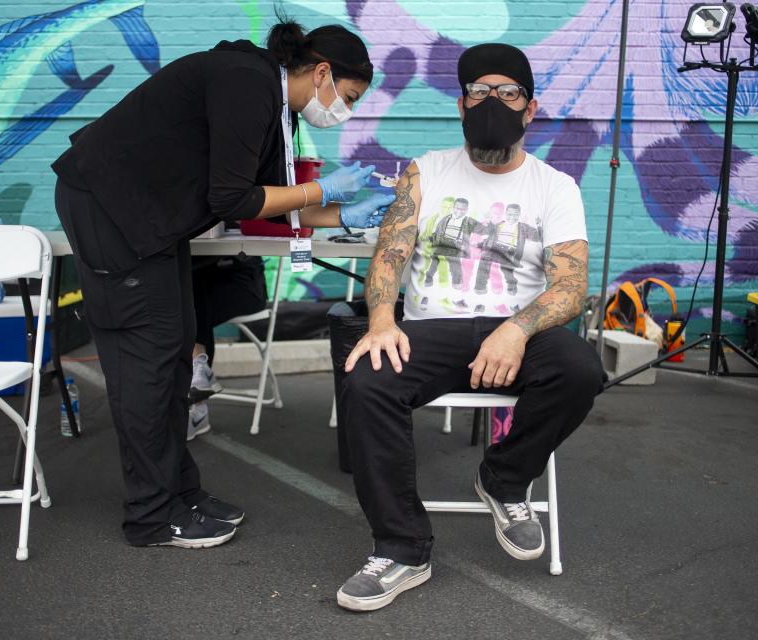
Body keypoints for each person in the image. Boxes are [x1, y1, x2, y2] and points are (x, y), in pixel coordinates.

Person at [52, 20, 394, 550]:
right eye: (346, 96)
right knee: (147, 363)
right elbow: (233, 199)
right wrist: (320, 190)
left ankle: (179, 492)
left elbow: (266, 206)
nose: (342, 110)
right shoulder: (246, 81)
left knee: (174, 353)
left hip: (147, 222)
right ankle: (151, 514)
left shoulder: (268, 97)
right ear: (322, 72)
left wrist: (341, 213)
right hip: (112, 213)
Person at [335, 43, 606, 611]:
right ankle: (403, 547)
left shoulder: (554, 186)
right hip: (435, 327)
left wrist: (515, 330)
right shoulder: (425, 171)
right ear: (460, 104)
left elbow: (569, 287)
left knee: (580, 368)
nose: (493, 103)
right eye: (479, 92)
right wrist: (382, 320)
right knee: (367, 379)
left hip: (518, 332)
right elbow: (389, 254)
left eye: (508, 93)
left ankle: (505, 479)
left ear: (530, 110)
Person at [186, 254, 267, 441]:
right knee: (188, 292)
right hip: (199, 283)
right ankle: (198, 381)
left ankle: (198, 391)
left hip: (243, 285)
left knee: (190, 302)